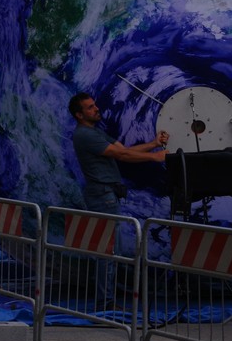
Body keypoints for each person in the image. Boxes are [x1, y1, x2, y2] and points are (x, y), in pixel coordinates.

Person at [68, 91, 168, 307]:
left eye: (94, 104)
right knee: (108, 250)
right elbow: (122, 156)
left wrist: (153, 143)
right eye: (90, 107)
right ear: (79, 115)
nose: (96, 108)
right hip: (102, 196)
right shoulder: (85, 135)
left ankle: (106, 299)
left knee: (110, 249)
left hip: (107, 195)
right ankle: (105, 302)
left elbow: (124, 150)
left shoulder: (95, 132)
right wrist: (155, 157)